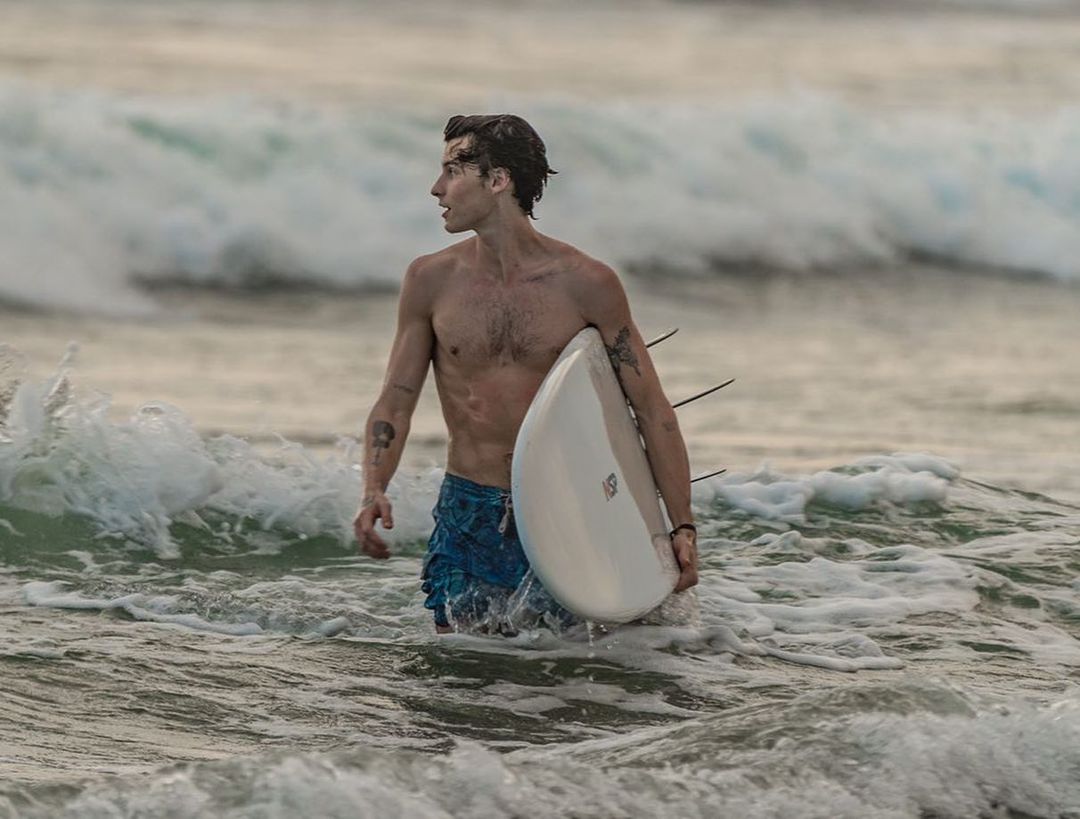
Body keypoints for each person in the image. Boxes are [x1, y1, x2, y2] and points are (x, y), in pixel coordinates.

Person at [353, 114, 698, 634]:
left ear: (497, 180)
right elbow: (396, 399)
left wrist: (682, 525)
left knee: (576, 670)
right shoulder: (430, 280)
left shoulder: (587, 283)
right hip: (469, 509)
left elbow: (651, 409)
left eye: (452, 172)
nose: (436, 188)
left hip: (570, 507)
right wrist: (374, 487)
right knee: (460, 670)